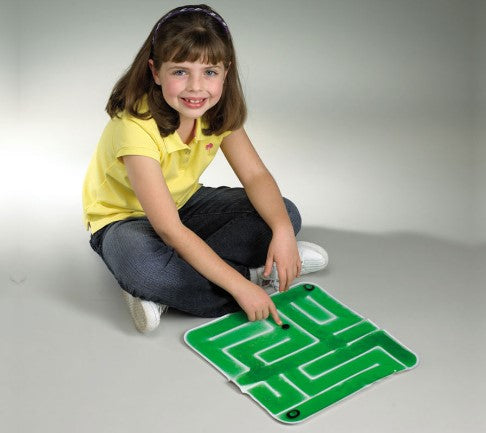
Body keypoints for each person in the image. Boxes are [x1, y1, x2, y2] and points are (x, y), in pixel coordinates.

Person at [82, 4, 329, 333]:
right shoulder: (135, 126)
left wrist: (282, 232)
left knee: (284, 213)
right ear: (156, 72)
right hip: (124, 221)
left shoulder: (216, 111)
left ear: (225, 72)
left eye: (209, 72)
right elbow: (169, 229)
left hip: (185, 205)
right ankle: (250, 277)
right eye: (180, 71)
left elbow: (256, 176)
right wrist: (242, 287)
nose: (195, 87)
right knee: (147, 270)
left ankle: (174, 288)